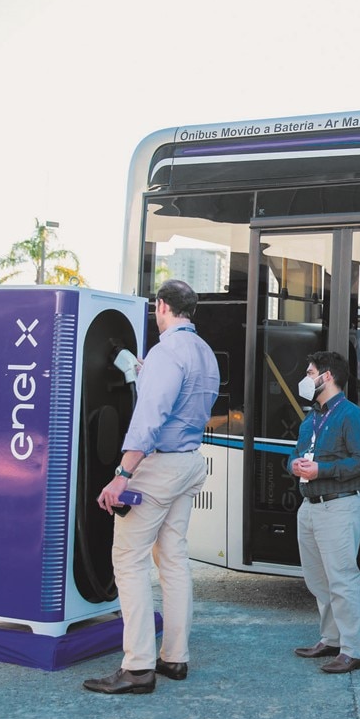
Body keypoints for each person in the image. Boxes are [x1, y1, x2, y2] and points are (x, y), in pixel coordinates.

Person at [83, 279, 219, 695]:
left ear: (161, 306)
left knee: (128, 560)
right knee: (173, 559)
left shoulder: (166, 352)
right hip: (189, 463)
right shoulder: (204, 352)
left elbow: (149, 419)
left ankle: (138, 666)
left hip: (158, 466)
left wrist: (122, 475)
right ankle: (174, 658)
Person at [288, 351, 360, 674]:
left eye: (310, 372)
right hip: (310, 507)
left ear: (327, 377)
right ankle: (331, 639)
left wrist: (322, 470)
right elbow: (295, 453)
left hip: (340, 506)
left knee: (342, 580)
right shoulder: (312, 417)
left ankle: (353, 650)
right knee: (318, 579)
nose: (306, 378)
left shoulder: (350, 415)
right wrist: (293, 464)